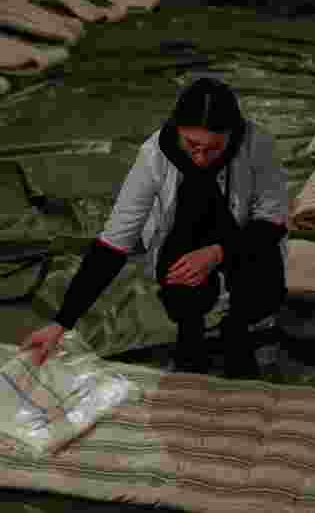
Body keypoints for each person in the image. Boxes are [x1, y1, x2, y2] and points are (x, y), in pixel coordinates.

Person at [21, 77, 289, 379]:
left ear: (233, 134)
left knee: (263, 288)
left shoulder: (258, 145)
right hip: (185, 236)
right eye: (192, 145)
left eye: (213, 149)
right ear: (177, 129)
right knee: (180, 279)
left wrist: (217, 252)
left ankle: (236, 329)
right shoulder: (154, 156)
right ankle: (190, 334)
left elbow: (272, 222)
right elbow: (113, 244)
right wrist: (62, 323)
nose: (201, 158)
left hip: (243, 237)